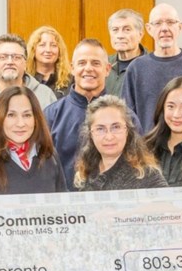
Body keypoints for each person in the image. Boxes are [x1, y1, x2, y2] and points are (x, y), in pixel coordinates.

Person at [45, 39, 140, 187]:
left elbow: (139, 163)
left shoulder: (125, 116)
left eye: (96, 63)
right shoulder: (51, 115)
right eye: (82, 63)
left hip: (114, 204)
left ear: (107, 69)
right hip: (67, 205)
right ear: (72, 68)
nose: (88, 69)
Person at [122, 3, 182, 133]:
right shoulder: (136, 68)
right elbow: (126, 115)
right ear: (149, 29)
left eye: (170, 22)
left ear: (180, 27)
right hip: (147, 149)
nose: (164, 28)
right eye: (158, 23)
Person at [0, 85, 67, 195]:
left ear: (36, 119)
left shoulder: (50, 156)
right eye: (11, 115)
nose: (20, 123)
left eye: (27, 115)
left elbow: (64, 207)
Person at [74, 95, 167, 191]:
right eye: (100, 129)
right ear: (91, 134)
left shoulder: (148, 176)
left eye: (116, 127)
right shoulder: (85, 174)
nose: (109, 137)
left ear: (127, 130)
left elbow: (167, 205)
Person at [0, 33, 56, 110]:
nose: (10, 62)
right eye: (3, 57)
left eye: (16, 57)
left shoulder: (45, 95)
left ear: (25, 64)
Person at [106, 8, 147, 98]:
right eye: (115, 30)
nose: (120, 36)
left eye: (127, 30)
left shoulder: (151, 65)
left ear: (140, 34)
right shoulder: (103, 64)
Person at [26, 25, 72, 99]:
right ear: (33, 50)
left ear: (60, 51)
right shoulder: (25, 79)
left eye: (53, 45)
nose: (48, 50)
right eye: (42, 45)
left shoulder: (71, 82)